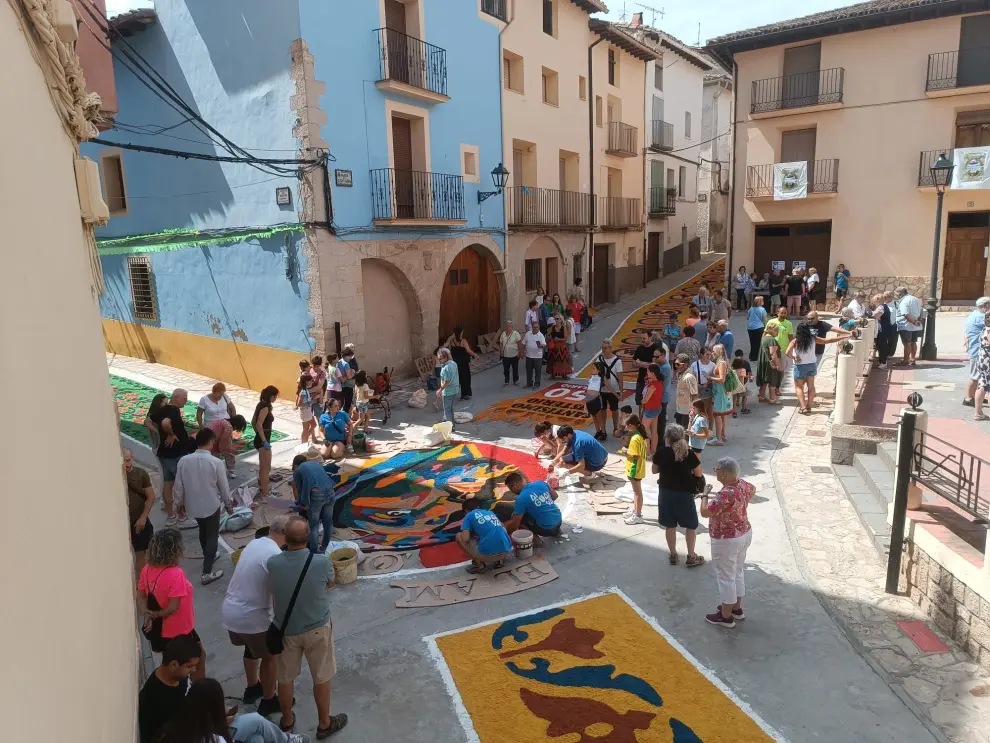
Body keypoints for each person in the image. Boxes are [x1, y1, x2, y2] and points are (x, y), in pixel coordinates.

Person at [268, 516, 347, 737]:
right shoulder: (320, 562)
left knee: (285, 678)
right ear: (309, 538)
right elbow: (331, 582)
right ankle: (324, 724)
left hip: (287, 630)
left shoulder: (273, 563)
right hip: (317, 628)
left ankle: (287, 720)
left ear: (285, 537)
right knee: (322, 677)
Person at [222, 515, 290, 717]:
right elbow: (279, 595)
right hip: (252, 615)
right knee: (271, 656)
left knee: (250, 648)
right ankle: (269, 700)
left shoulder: (255, 543)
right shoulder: (276, 555)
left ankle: (253, 688)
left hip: (231, 611)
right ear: (284, 534)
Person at [153, 675, 311, 743]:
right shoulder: (213, 739)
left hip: (214, 730)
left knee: (257, 739)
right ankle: (286, 740)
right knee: (256, 722)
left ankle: (286, 740)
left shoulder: (183, 722)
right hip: (221, 735)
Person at [138, 529, 206, 678]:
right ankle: (199, 693)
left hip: (161, 632)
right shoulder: (176, 574)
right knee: (197, 659)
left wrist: (147, 614)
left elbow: (141, 596)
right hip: (180, 630)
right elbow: (173, 608)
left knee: (173, 663)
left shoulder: (146, 569)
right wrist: (155, 614)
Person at [700, 457, 755, 629]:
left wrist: (704, 494)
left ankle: (725, 617)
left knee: (726, 577)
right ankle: (736, 609)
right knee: (737, 571)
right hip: (744, 532)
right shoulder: (743, 485)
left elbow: (704, 512)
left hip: (726, 539)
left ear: (723, 474)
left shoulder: (726, 494)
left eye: (716, 469)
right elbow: (753, 490)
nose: (715, 471)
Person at [174, 428, 233, 584]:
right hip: (211, 504)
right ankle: (206, 572)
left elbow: (178, 486)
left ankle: (209, 555)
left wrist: (178, 503)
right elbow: (224, 487)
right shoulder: (216, 462)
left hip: (193, 505)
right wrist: (228, 505)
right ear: (210, 442)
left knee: (203, 530)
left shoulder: (184, 461)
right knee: (212, 535)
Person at [652, 424, 704, 567]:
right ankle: (691, 556)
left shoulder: (661, 451)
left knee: (670, 525)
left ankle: (673, 554)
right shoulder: (689, 453)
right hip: (684, 494)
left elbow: (654, 470)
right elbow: (699, 473)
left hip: (666, 493)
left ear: (667, 438)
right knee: (691, 526)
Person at [138, 635, 200, 743]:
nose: (194, 670)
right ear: (173, 665)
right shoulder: (158, 699)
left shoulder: (177, 676)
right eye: (190, 666)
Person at [152, 388, 193, 527]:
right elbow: (165, 423)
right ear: (176, 397)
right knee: (181, 485)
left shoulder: (161, 410)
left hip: (164, 454)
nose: (186, 401)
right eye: (184, 398)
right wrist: (169, 434)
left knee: (168, 484)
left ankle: (171, 516)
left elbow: (148, 421)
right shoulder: (173, 410)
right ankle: (182, 517)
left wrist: (159, 435)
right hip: (176, 454)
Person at [292, 454, 336, 552]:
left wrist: (301, 504)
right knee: (328, 522)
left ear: (295, 465)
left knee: (314, 525)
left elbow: (300, 490)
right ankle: (325, 547)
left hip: (317, 495)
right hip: (331, 491)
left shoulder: (297, 471)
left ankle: (314, 551)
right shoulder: (315, 464)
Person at [457, 497, 513, 573]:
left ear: (466, 510)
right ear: (478, 507)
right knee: (498, 529)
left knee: (459, 536)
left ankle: (479, 565)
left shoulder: (469, 515)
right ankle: (499, 561)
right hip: (506, 551)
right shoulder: (490, 513)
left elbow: (465, 538)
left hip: (487, 556)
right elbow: (503, 527)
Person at [503, 472, 563, 541]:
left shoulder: (521, 499)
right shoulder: (540, 483)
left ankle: (537, 542)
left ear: (516, 485)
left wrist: (505, 534)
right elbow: (555, 496)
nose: (511, 491)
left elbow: (515, 524)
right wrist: (542, 503)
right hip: (559, 521)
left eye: (510, 488)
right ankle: (557, 531)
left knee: (519, 519)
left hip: (546, 529)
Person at [125, 447, 156, 576]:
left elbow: (151, 496)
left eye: (128, 460)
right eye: (124, 461)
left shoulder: (140, 473)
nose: (126, 464)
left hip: (139, 519)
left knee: (142, 553)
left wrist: (143, 517)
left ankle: (144, 582)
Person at [618, 415, 649, 525]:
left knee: (637, 493)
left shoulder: (635, 438)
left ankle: (638, 515)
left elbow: (635, 456)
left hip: (635, 468)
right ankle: (635, 511)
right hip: (638, 468)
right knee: (636, 492)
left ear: (630, 425)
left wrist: (624, 451)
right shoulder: (640, 436)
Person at [788, 322, 821, 414]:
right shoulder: (813, 339)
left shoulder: (795, 341)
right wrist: (844, 336)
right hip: (812, 365)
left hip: (800, 366)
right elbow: (828, 340)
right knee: (811, 387)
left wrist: (794, 358)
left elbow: (787, 352)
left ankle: (803, 407)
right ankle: (809, 406)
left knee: (799, 387)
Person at [252, 386, 279, 499]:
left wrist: (258, 434)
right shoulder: (265, 407)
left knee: (265, 466)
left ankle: (263, 487)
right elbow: (258, 424)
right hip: (263, 441)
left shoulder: (260, 404)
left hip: (261, 438)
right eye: (276, 396)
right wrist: (263, 440)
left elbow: (253, 421)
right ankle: (265, 493)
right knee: (265, 468)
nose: (276, 398)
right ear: (272, 396)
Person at [964, 298, 990, 407]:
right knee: (975, 376)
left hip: (975, 349)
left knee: (977, 377)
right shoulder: (981, 317)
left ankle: (974, 397)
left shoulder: (973, 314)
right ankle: (969, 398)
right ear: (985, 305)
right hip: (979, 351)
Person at [596, 339, 624, 437]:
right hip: (602, 390)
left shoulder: (617, 361)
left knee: (614, 410)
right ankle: (603, 430)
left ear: (610, 348)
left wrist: (621, 391)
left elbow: (620, 377)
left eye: (605, 348)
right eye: (602, 348)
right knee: (602, 410)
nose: (603, 350)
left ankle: (615, 428)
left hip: (614, 390)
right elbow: (595, 374)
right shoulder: (599, 359)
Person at [208, 414, 247, 479]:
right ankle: (230, 471)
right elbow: (222, 445)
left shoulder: (224, 421)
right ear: (236, 425)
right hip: (210, 442)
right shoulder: (228, 427)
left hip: (207, 438)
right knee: (228, 454)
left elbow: (226, 440)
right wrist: (232, 450)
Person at [766, 306, 795, 394]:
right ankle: (767, 388)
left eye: (785, 313)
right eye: (781, 313)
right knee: (771, 369)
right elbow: (765, 334)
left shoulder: (789, 324)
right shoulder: (771, 322)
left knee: (781, 370)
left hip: (783, 350)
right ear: (777, 312)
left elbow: (791, 338)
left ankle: (777, 387)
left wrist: (792, 350)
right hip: (771, 350)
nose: (783, 315)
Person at [892, 286, 924, 366]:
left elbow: (906, 314)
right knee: (913, 342)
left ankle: (905, 360)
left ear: (900, 294)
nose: (896, 296)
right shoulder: (914, 298)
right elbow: (921, 310)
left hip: (906, 325)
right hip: (915, 325)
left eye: (896, 294)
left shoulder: (904, 301)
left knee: (907, 343)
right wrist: (918, 321)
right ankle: (913, 359)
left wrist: (914, 322)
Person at [709, 344, 733, 443]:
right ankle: (722, 434)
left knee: (717, 415)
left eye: (714, 352)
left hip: (721, 393)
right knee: (723, 415)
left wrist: (709, 377)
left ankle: (718, 439)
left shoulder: (721, 363)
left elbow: (721, 379)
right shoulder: (722, 362)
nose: (712, 353)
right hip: (723, 393)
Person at [633, 332, 661, 413]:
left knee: (650, 404)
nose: (642, 341)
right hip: (641, 380)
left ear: (650, 337)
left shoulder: (656, 348)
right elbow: (633, 364)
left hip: (652, 382)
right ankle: (641, 423)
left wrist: (640, 362)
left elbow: (656, 364)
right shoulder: (639, 348)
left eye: (644, 338)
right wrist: (641, 364)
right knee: (640, 403)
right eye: (641, 338)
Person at [757, 323, 783, 404]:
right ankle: (772, 399)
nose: (778, 332)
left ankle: (762, 396)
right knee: (772, 380)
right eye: (777, 330)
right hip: (770, 364)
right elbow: (773, 353)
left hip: (762, 361)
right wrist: (778, 364)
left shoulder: (763, 338)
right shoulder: (772, 340)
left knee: (764, 380)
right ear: (774, 331)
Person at [640, 364, 664, 455]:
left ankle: (647, 452)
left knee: (643, 430)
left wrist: (641, 401)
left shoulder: (652, 386)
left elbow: (645, 399)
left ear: (653, 374)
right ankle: (653, 450)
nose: (647, 373)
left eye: (648, 371)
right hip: (657, 408)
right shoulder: (659, 382)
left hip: (650, 410)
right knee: (654, 430)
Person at [449, 327, 478, 400]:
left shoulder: (452, 341)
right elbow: (468, 351)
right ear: (461, 333)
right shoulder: (463, 341)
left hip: (455, 362)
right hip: (463, 362)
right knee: (465, 378)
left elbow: (450, 351)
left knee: (458, 378)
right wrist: (475, 355)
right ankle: (465, 394)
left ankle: (455, 393)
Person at [436, 347, 460, 427]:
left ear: (446, 357)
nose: (439, 361)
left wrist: (440, 390)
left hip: (448, 391)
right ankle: (451, 423)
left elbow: (447, 381)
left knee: (447, 410)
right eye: (438, 359)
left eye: (440, 359)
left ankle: (451, 426)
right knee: (450, 408)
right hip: (455, 389)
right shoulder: (453, 363)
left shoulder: (446, 368)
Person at [689, 347, 716, 421]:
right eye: (707, 354)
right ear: (701, 355)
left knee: (708, 411)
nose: (709, 356)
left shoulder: (713, 365)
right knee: (697, 411)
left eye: (710, 354)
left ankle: (709, 430)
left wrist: (708, 383)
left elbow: (715, 378)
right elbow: (691, 377)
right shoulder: (695, 364)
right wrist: (696, 385)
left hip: (708, 389)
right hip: (697, 389)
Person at [873, 292, 898, 370]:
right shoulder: (885, 306)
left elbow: (875, 316)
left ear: (878, 300)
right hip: (885, 329)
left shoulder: (881, 307)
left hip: (882, 330)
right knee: (882, 346)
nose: (874, 303)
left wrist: (869, 314)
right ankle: (882, 362)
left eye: (874, 301)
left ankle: (883, 363)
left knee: (882, 346)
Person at [673, 353, 699, 427]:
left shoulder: (689, 377)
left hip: (687, 412)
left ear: (685, 365)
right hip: (680, 410)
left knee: (685, 434)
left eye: (678, 364)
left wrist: (693, 411)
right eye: (675, 364)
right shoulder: (681, 374)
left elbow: (695, 395)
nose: (676, 366)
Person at [974, 310, 990, 421]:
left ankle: (978, 413)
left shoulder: (984, 329)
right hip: (988, 359)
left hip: (982, 359)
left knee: (982, 384)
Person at [584, 370, 608, 441]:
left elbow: (608, 386)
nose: (593, 370)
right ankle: (598, 431)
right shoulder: (591, 378)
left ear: (598, 370)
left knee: (599, 418)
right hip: (590, 399)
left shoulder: (602, 378)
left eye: (594, 368)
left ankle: (604, 432)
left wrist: (618, 395)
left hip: (597, 399)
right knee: (594, 417)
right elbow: (589, 388)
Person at [498, 320, 523, 386]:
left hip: (514, 355)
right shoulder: (503, 334)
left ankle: (516, 380)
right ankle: (506, 381)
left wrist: (520, 353)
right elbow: (501, 343)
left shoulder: (516, 334)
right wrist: (501, 352)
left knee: (515, 369)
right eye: (507, 326)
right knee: (506, 369)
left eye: (510, 326)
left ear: (512, 327)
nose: (508, 327)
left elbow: (519, 343)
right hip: (505, 355)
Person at [654, 346, 673, 436]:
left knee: (661, 420)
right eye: (654, 356)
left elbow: (656, 380)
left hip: (662, 397)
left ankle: (660, 440)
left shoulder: (665, 368)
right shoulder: (661, 365)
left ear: (663, 356)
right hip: (660, 395)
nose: (655, 359)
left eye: (657, 357)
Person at [547, 313, 572, 378]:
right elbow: (547, 334)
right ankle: (553, 374)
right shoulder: (552, 327)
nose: (556, 320)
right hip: (553, 347)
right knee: (553, 361)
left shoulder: (563, 328)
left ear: (561, 320)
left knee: (562, 361)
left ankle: (564, 374)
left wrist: (559, 339)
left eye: (557, 319)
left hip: (561, 347)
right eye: (555, 319)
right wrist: (549, 338)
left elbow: (565, 338)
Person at [523, 321, 546, 388]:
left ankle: (537, 384)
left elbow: (544, 344)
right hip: (528, 356)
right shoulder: (528, 333)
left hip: (537, 357)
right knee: (529, 371)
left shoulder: (541, 335)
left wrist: (541, 345)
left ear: (539, 327)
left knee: (537, 371)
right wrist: (521, 352)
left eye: (537, 327)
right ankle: (529, 383)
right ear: (532, 327)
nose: (535, 328)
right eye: (534, 327)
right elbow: (523, 343)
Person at [296, 373, 317, 446]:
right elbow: (299, 404)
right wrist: (309, 403)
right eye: (310, 381)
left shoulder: (306, 390)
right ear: (306, 382)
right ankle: (304, 442)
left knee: (314, 424)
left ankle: (305, 440)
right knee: (305, 428)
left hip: (308, 411)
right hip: (305, 411)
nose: (312, 382)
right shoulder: (303, 391)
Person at [731, 350, 752, 417]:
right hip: (741, 386)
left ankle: (734, 411)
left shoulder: (733, 370)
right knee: (744, 396)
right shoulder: (743, 370)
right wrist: (750, 377)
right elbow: (744, 375)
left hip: (734, 386)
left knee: (734, 398)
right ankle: (744, 408)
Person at [746, 296, 768, 362]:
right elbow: (764, 319)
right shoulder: (762, 309)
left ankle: (751, 356)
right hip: (759, 327)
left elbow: (747, 317)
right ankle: (755, 358)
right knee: (758, 343)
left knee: (752, 342)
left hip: (750, 327)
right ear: (760, 302)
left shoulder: (751, 308)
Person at [336, 349, 357, 415]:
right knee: (347, 404)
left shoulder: (339, 362)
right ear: (346, 356)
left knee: (342, 403)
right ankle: (345, 420)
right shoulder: (346, 364)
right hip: (347, 385)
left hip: (340, 385)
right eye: (350, 356)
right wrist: (353, 372)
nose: (350, 358)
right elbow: (349, 377)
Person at [308, 355, 328, 422]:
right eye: (314, 366)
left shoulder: (322, 373)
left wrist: (308, 391)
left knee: (319, 419)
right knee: (309, 420)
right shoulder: (309, 369)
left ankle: (321, 432)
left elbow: (319, 387)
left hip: (317, 399)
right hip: (308, 400)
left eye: (317, 366)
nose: (315, 368)